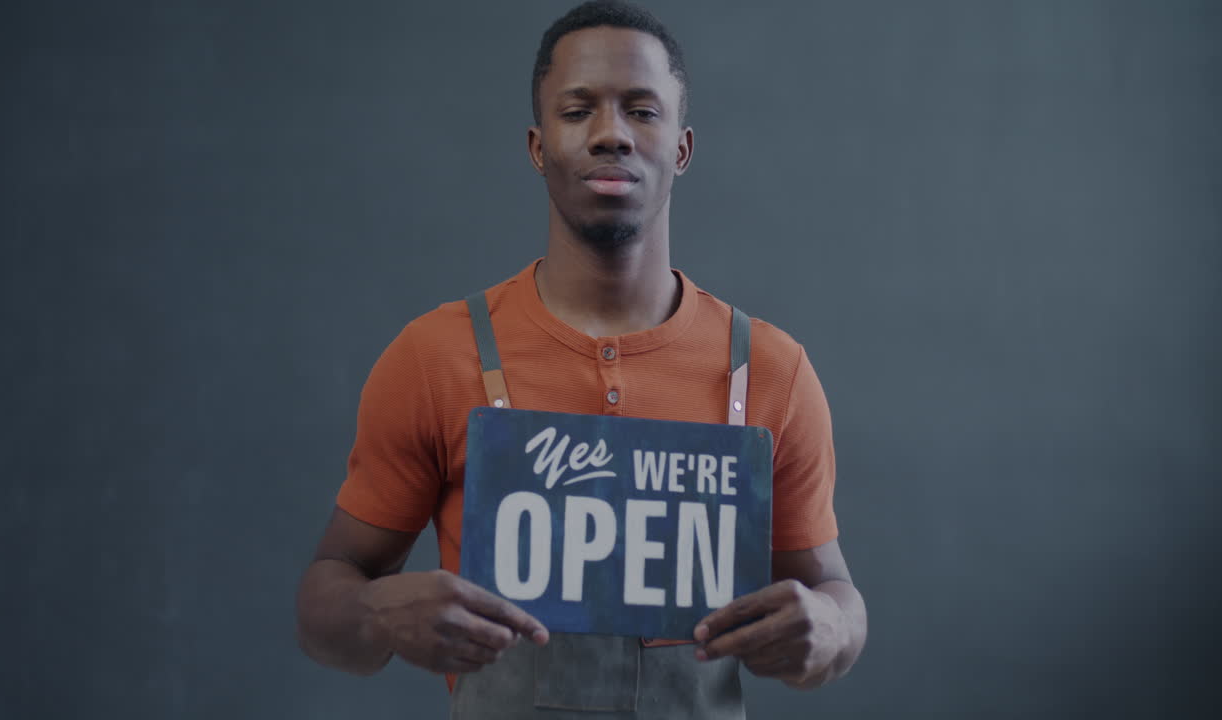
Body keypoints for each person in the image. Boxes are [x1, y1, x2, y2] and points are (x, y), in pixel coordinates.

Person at [296, 1, 867, 716]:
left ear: (682, 149)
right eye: (578, 111)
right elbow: (326, 596)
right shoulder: (436, 357)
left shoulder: (770, 373)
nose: (611, 135)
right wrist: (377, 615)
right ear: (538, 147)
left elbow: (837, 595)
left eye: (641, 110)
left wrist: (833, 628)